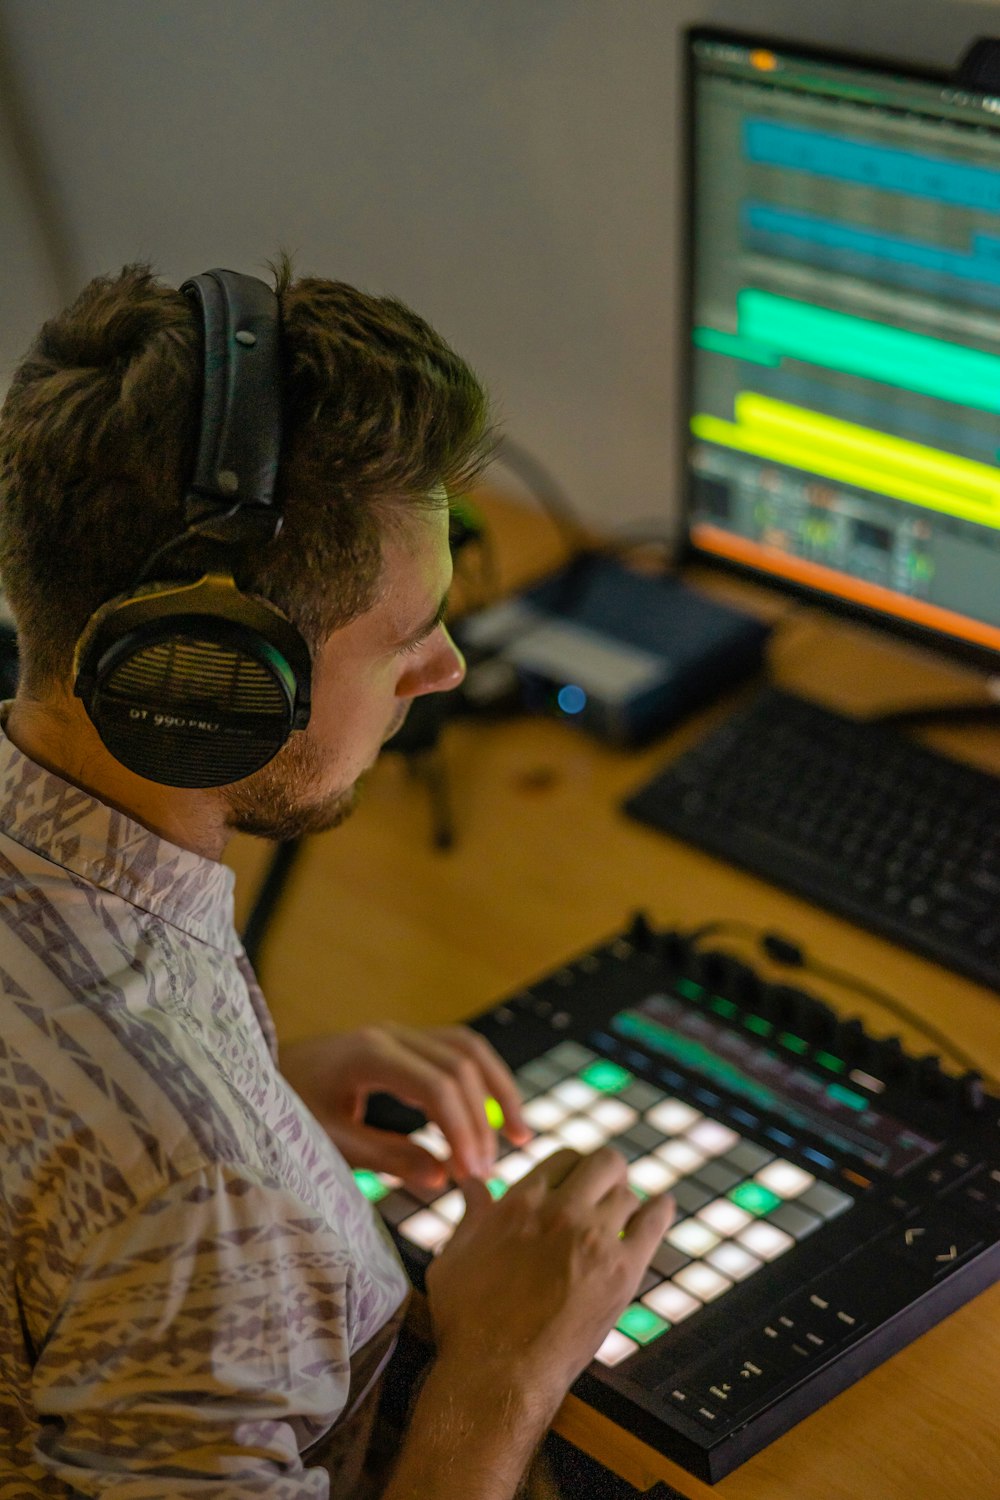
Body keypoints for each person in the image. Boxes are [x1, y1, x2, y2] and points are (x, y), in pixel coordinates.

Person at [0, 259, 674, 1498]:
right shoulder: (201, 1202)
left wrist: (264, 1092)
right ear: (207, 677)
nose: (450, 670)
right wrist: (503, 1372)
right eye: (407, 638)